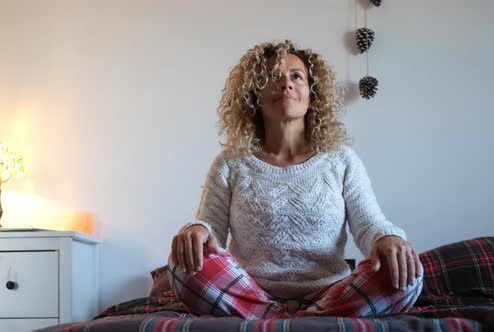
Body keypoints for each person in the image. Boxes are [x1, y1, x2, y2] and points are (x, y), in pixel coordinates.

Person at [167, 40, 424, 319]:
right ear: (254, 95)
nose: (286, 83)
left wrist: (387, 238)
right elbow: (211, 233)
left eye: (296, 76)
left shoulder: (341, 159)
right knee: (181, 265)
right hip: (250, 290)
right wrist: (197, 230)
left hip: (330, 292)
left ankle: (281, 319)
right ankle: (304, 320)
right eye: (273, 76)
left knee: (408, 275)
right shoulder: (230, 162)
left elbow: (369, 225)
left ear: (312, 96)